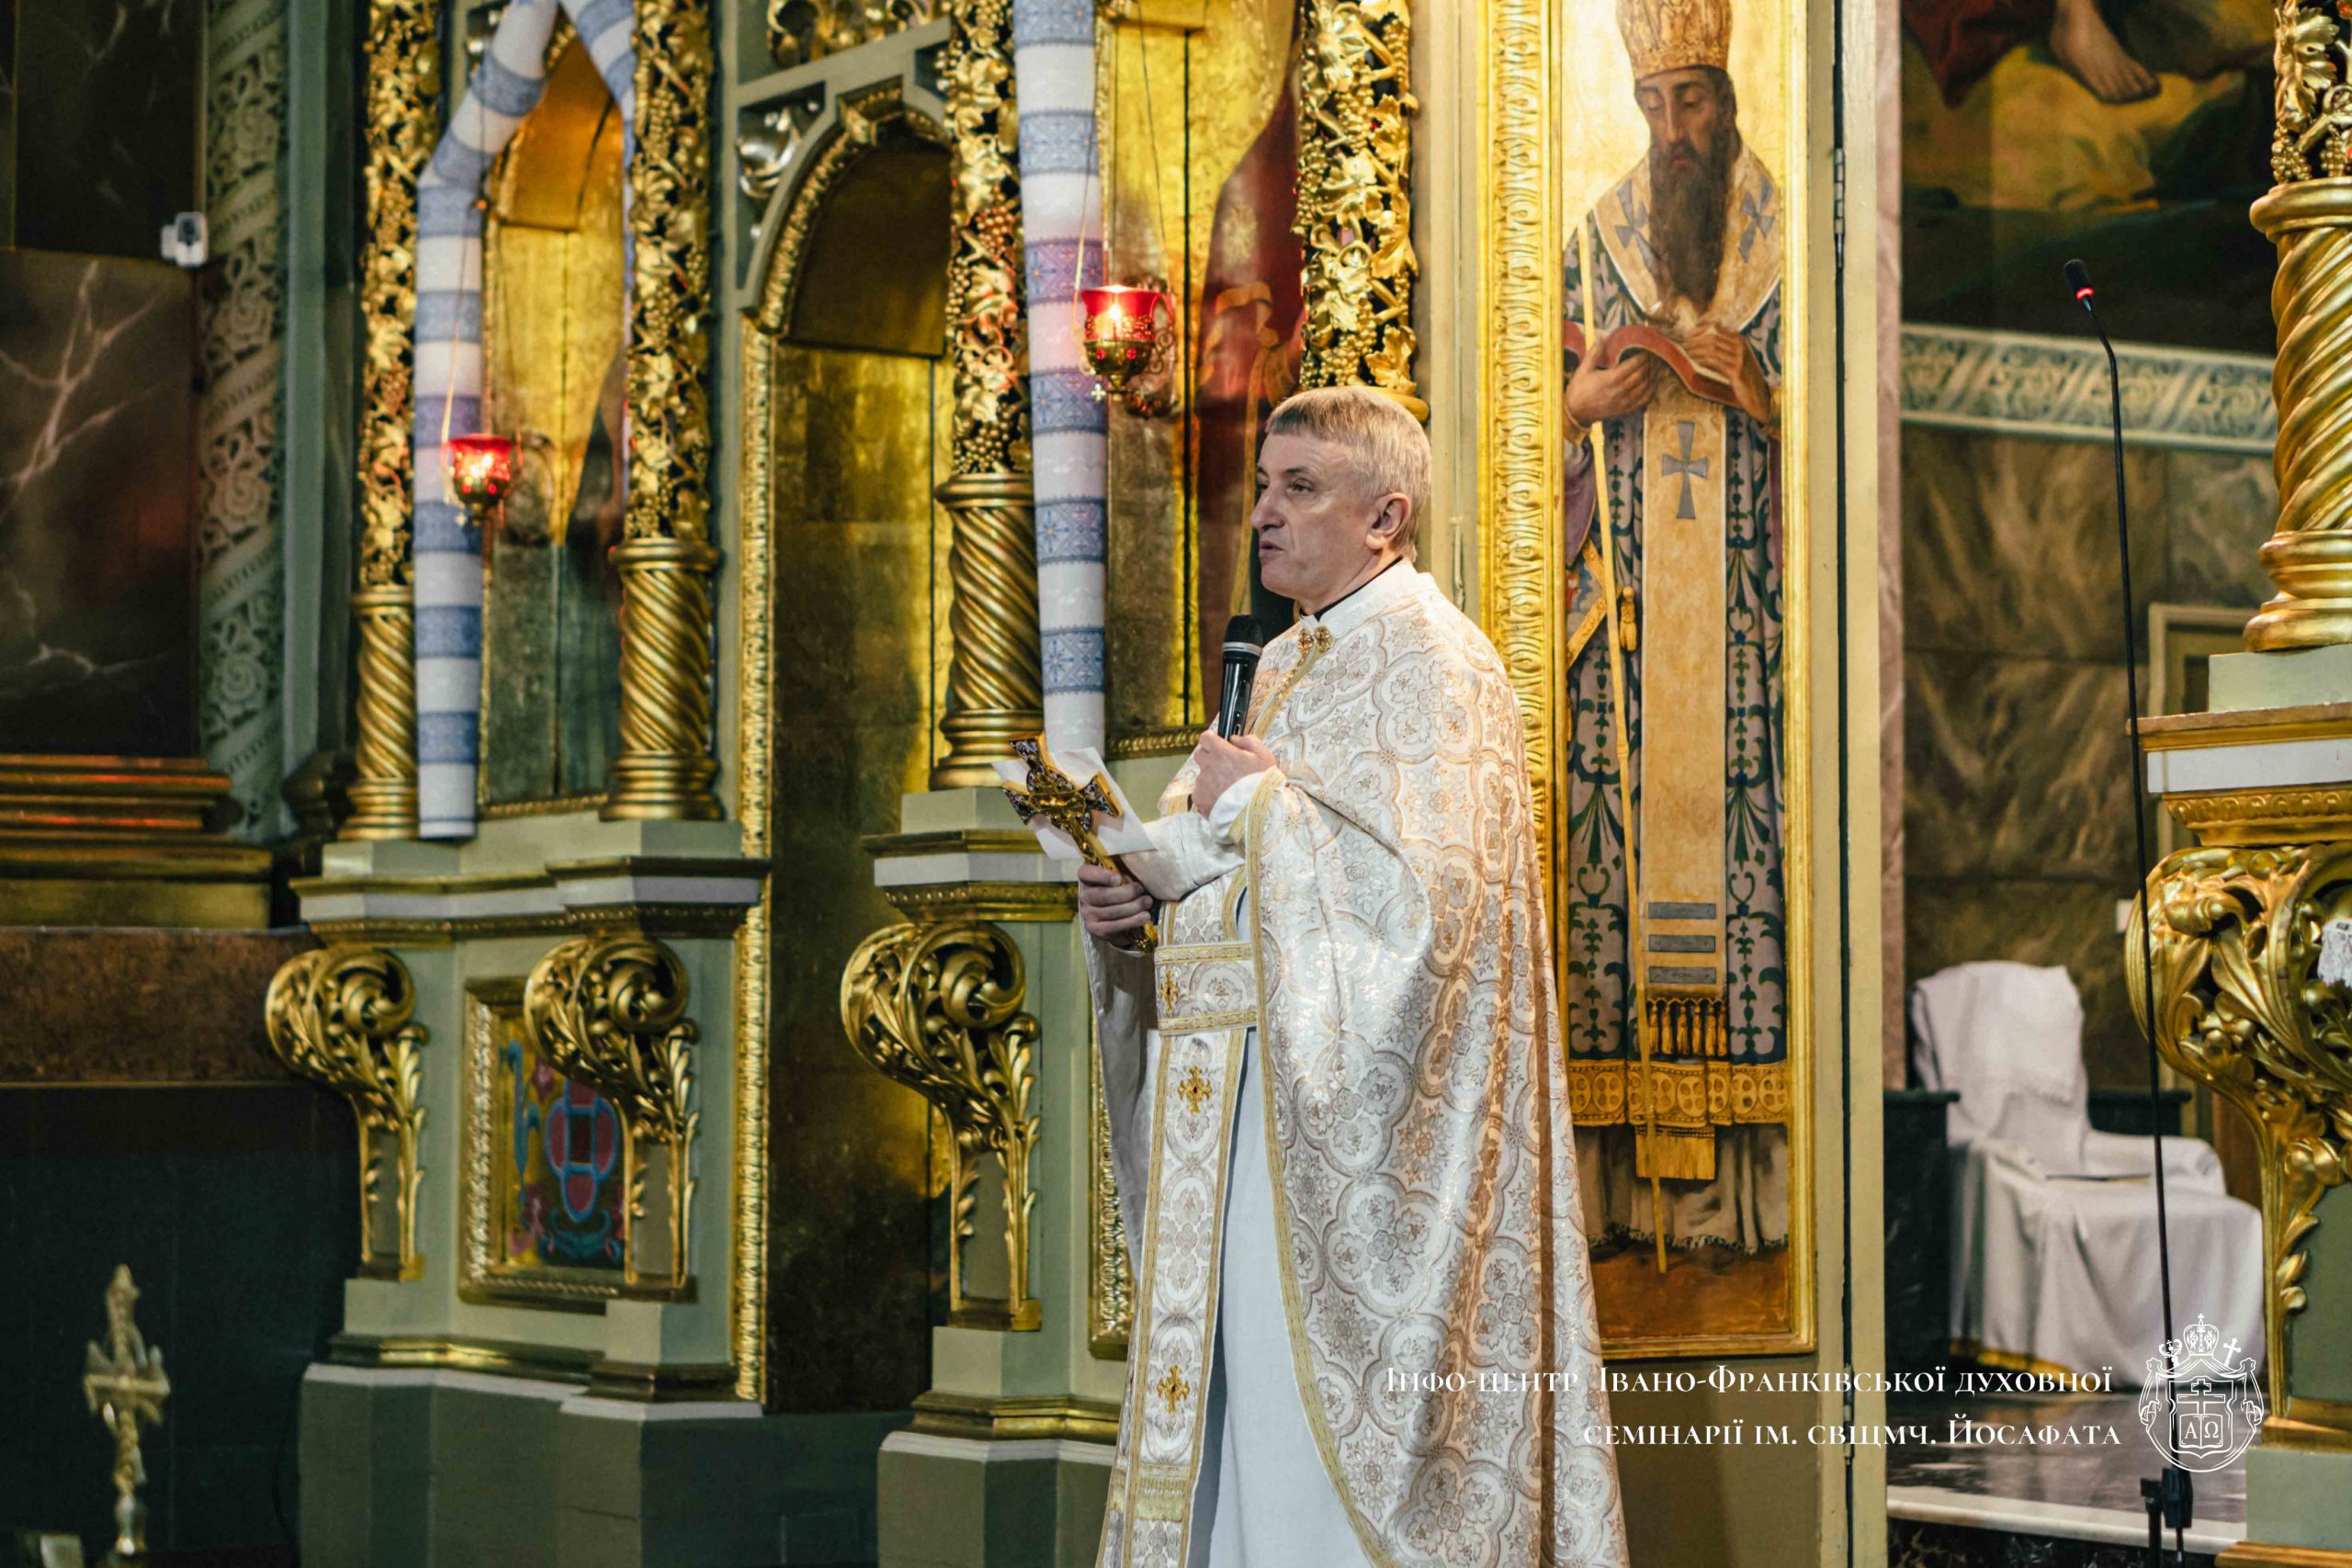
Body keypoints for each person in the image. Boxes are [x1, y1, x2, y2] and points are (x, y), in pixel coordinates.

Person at [1078, 386, 1628, 1568]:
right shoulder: (1276, 664)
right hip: (1237, 1125)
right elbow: (1218, 862)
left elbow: (1430, 916)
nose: (1263, 515)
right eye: (1263, 487)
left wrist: (1258, 809)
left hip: (1353, 1153)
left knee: (1305, 1427)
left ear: (1386, 517)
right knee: (1237, 1424)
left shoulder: (1441, 663)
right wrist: (1127, 901)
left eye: (1298, 489)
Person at [1559, 0, 1792, 1261]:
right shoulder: (1599, 239)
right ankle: (1625, 1206)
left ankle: (1747, 1206)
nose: (1672, 131)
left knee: (1746, 869)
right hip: (1630, 641)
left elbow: (1835, 453)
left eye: (1690, 101)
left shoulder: (1785, 241)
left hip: (1747, 638)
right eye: (1652, 107)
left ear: (1730, 93)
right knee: (1618, 876)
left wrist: (1762, 394)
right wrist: (1583, 400)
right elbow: (1529, 421)